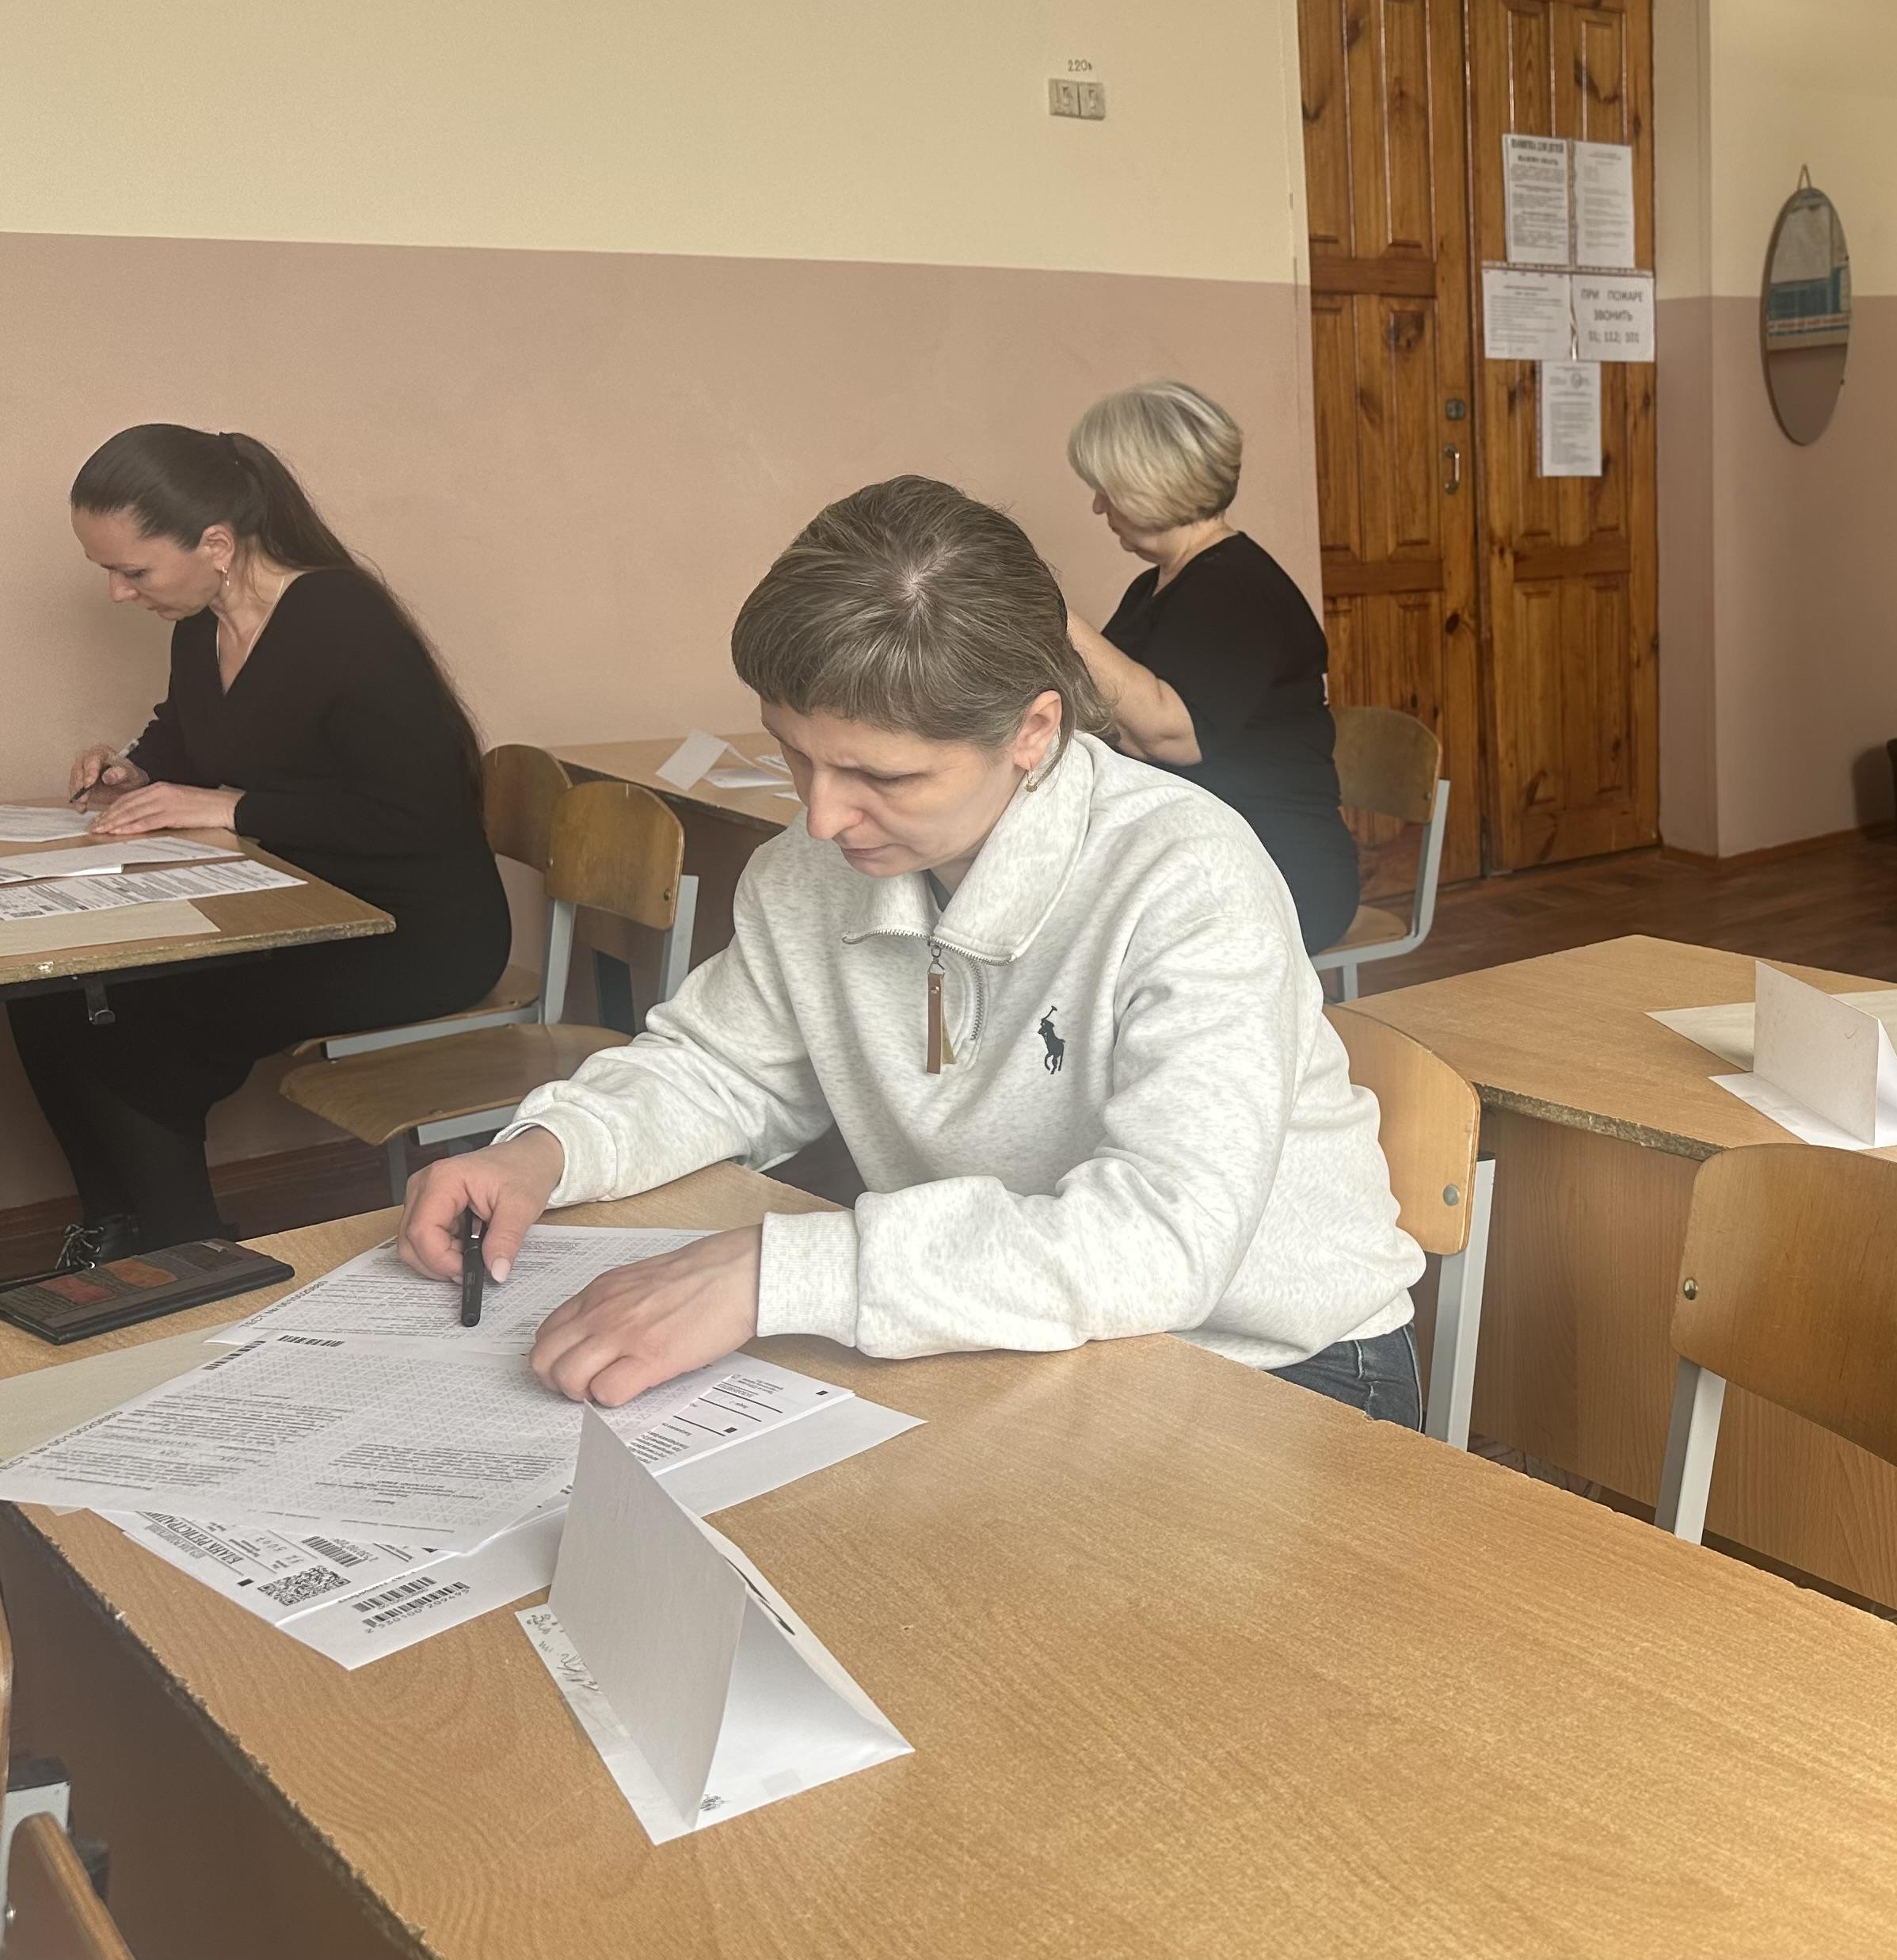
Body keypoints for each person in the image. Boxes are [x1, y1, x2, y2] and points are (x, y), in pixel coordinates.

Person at [390, 475, 1427, 1425]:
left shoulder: (1186, 876)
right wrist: (547, 1150)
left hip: (1274, 1362)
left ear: (1033, 732)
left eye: (883, 777)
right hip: (1025, 1335)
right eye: (796, 755)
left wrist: (772, 1274)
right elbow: (722, 1067)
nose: (822, 816)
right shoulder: (809, 868)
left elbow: (1162, 1241)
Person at [10, 426, 508, 1260]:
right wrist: (135, 772)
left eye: (133, 571)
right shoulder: (199, 624)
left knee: (138, 1028)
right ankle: (116, 1238)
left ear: (216, 544)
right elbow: (189, 733)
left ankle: (190, 1265)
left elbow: (416, 816)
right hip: (293, 905)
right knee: (46, 994)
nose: (117, 594)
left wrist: (228, 808)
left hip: (414, 930)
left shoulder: (342, 618)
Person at [1058, 381, 1361, 955]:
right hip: (1200, 855)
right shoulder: (1155, 586)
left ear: (1148, 484)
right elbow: (1115, 719)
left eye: (1106, 489)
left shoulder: (1237, 588)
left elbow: (1171, 736)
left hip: (1277, 871)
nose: (1098, 507)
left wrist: (1056, 615)